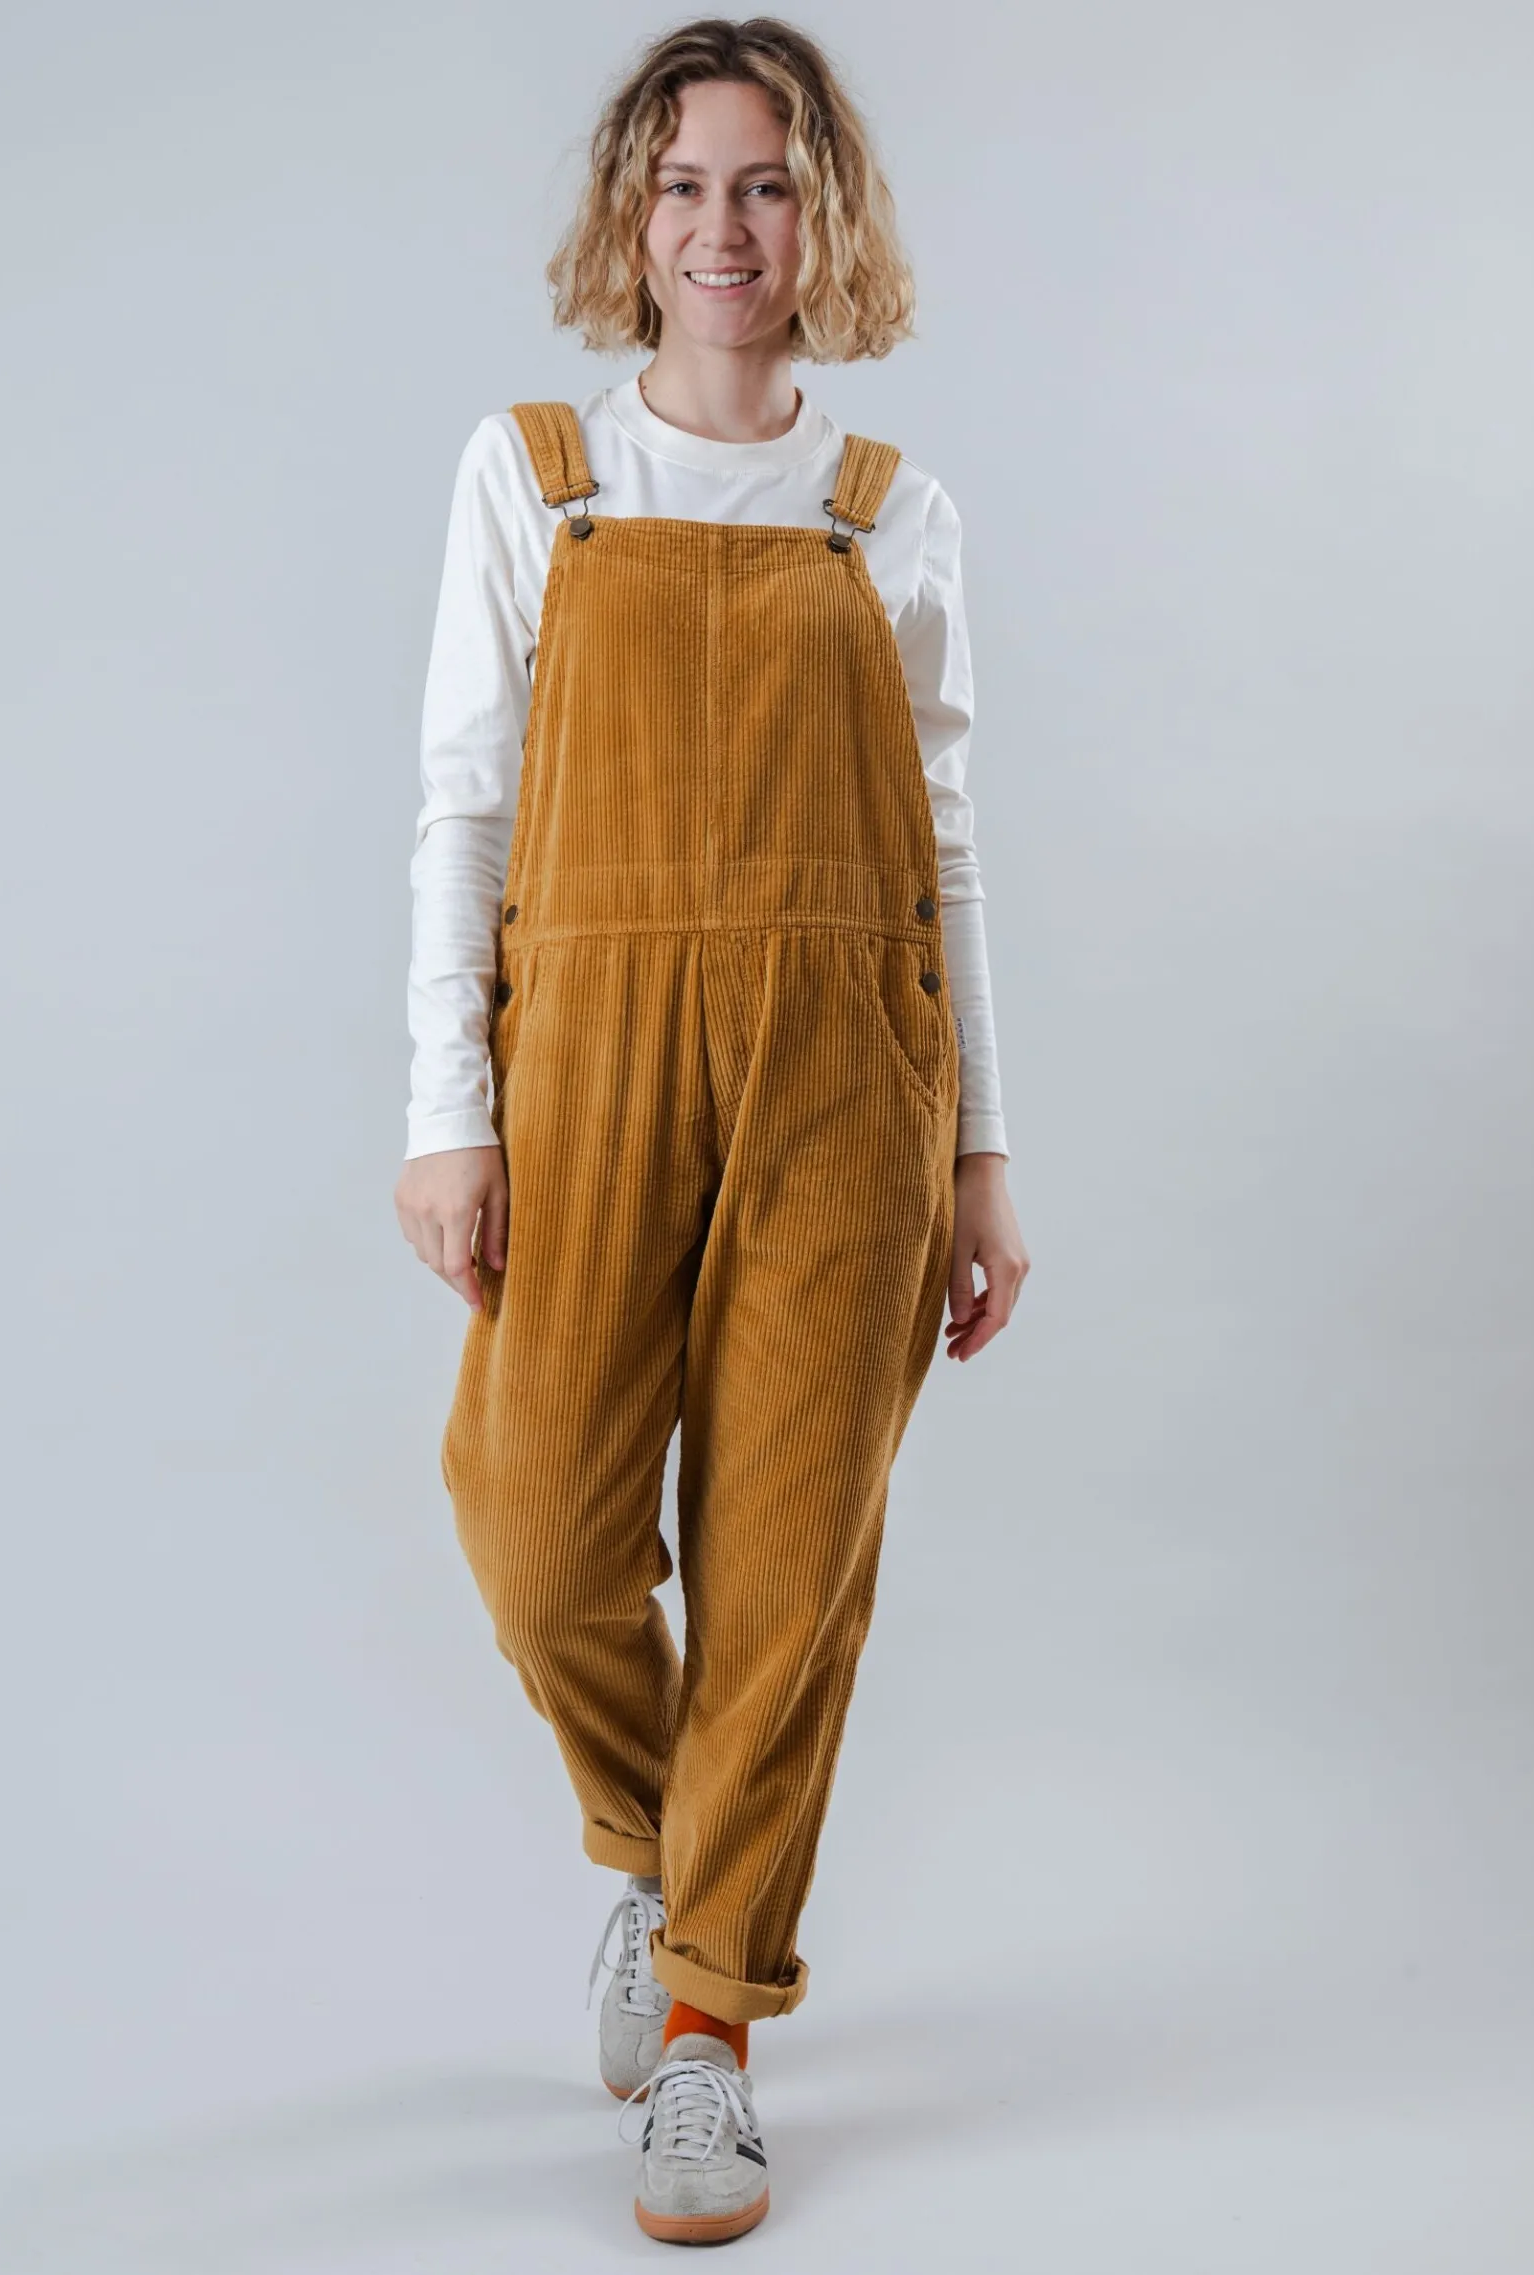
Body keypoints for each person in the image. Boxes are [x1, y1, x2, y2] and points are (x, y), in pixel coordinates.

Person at [394, 15, 1030, 2245]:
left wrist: (982, 1151)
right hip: (585, 1048)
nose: (723, 228)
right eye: (684, 185)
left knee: (785, 1565)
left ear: (821, 214)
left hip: (852, 1066)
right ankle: (671, 1867)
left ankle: (706, 2037)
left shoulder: (893, 512)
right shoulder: (539, 474)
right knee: (537, 1526)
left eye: (765, 184)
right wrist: (447, 1113)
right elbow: (463, 813)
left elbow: (948, 853)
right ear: (631, 214)